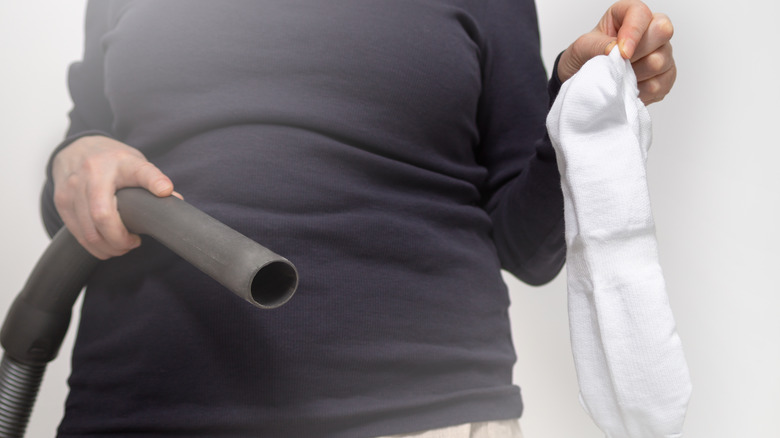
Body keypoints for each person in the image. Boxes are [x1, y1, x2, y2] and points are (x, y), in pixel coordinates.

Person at [41, 0, 675, 436]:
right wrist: (77, 159)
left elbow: (528, 247)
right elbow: (74, 189)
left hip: (418, 413)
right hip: (135, 405)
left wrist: (577, 108)